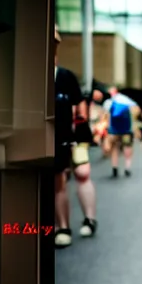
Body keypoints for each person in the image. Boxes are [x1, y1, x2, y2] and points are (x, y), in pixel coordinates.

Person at [53, 29, 97, 248]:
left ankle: (89, 219)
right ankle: (63, 227)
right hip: (52, 138)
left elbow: (80, 109)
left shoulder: (65, 77)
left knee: (82, 173)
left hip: (74, 135)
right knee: (58, 180)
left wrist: (79, 137)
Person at [102, 86, 136, 176]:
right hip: (126, 129)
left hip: (114, 130)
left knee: (114, 147)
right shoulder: (126, 100)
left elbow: (105, 115)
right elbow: (134, 111)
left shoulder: (108, 102)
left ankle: (115, 167)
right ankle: (127, 167)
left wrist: (107, 128)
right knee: (127, 146)